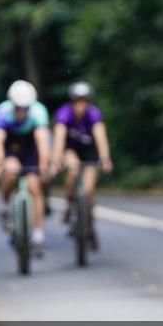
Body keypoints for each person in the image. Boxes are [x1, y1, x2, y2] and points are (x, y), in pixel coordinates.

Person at [0, 80, 51, 257]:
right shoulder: (2, 111)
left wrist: (44, 164)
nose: (22, 112)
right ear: (12, 104)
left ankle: (38, 236)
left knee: (34, 186)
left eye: (25, 108)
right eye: (18, 108)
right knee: (10, 172)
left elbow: (42, 140)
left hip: (31, 147)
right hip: (12, 147)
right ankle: (4, 204)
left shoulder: (39, 111)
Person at [51, 81, 112, 250]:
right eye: (78, 101)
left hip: (88, 151)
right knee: (73, 169)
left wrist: (105, 158)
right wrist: (56, 160)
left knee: (89, 189)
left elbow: (101, 138)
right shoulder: (64, 114)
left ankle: (90, 225)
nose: (81, 105)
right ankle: (70, 203)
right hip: (70, 150)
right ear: (73, 102)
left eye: (85, 102)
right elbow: (59, 139)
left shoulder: (94, 114)